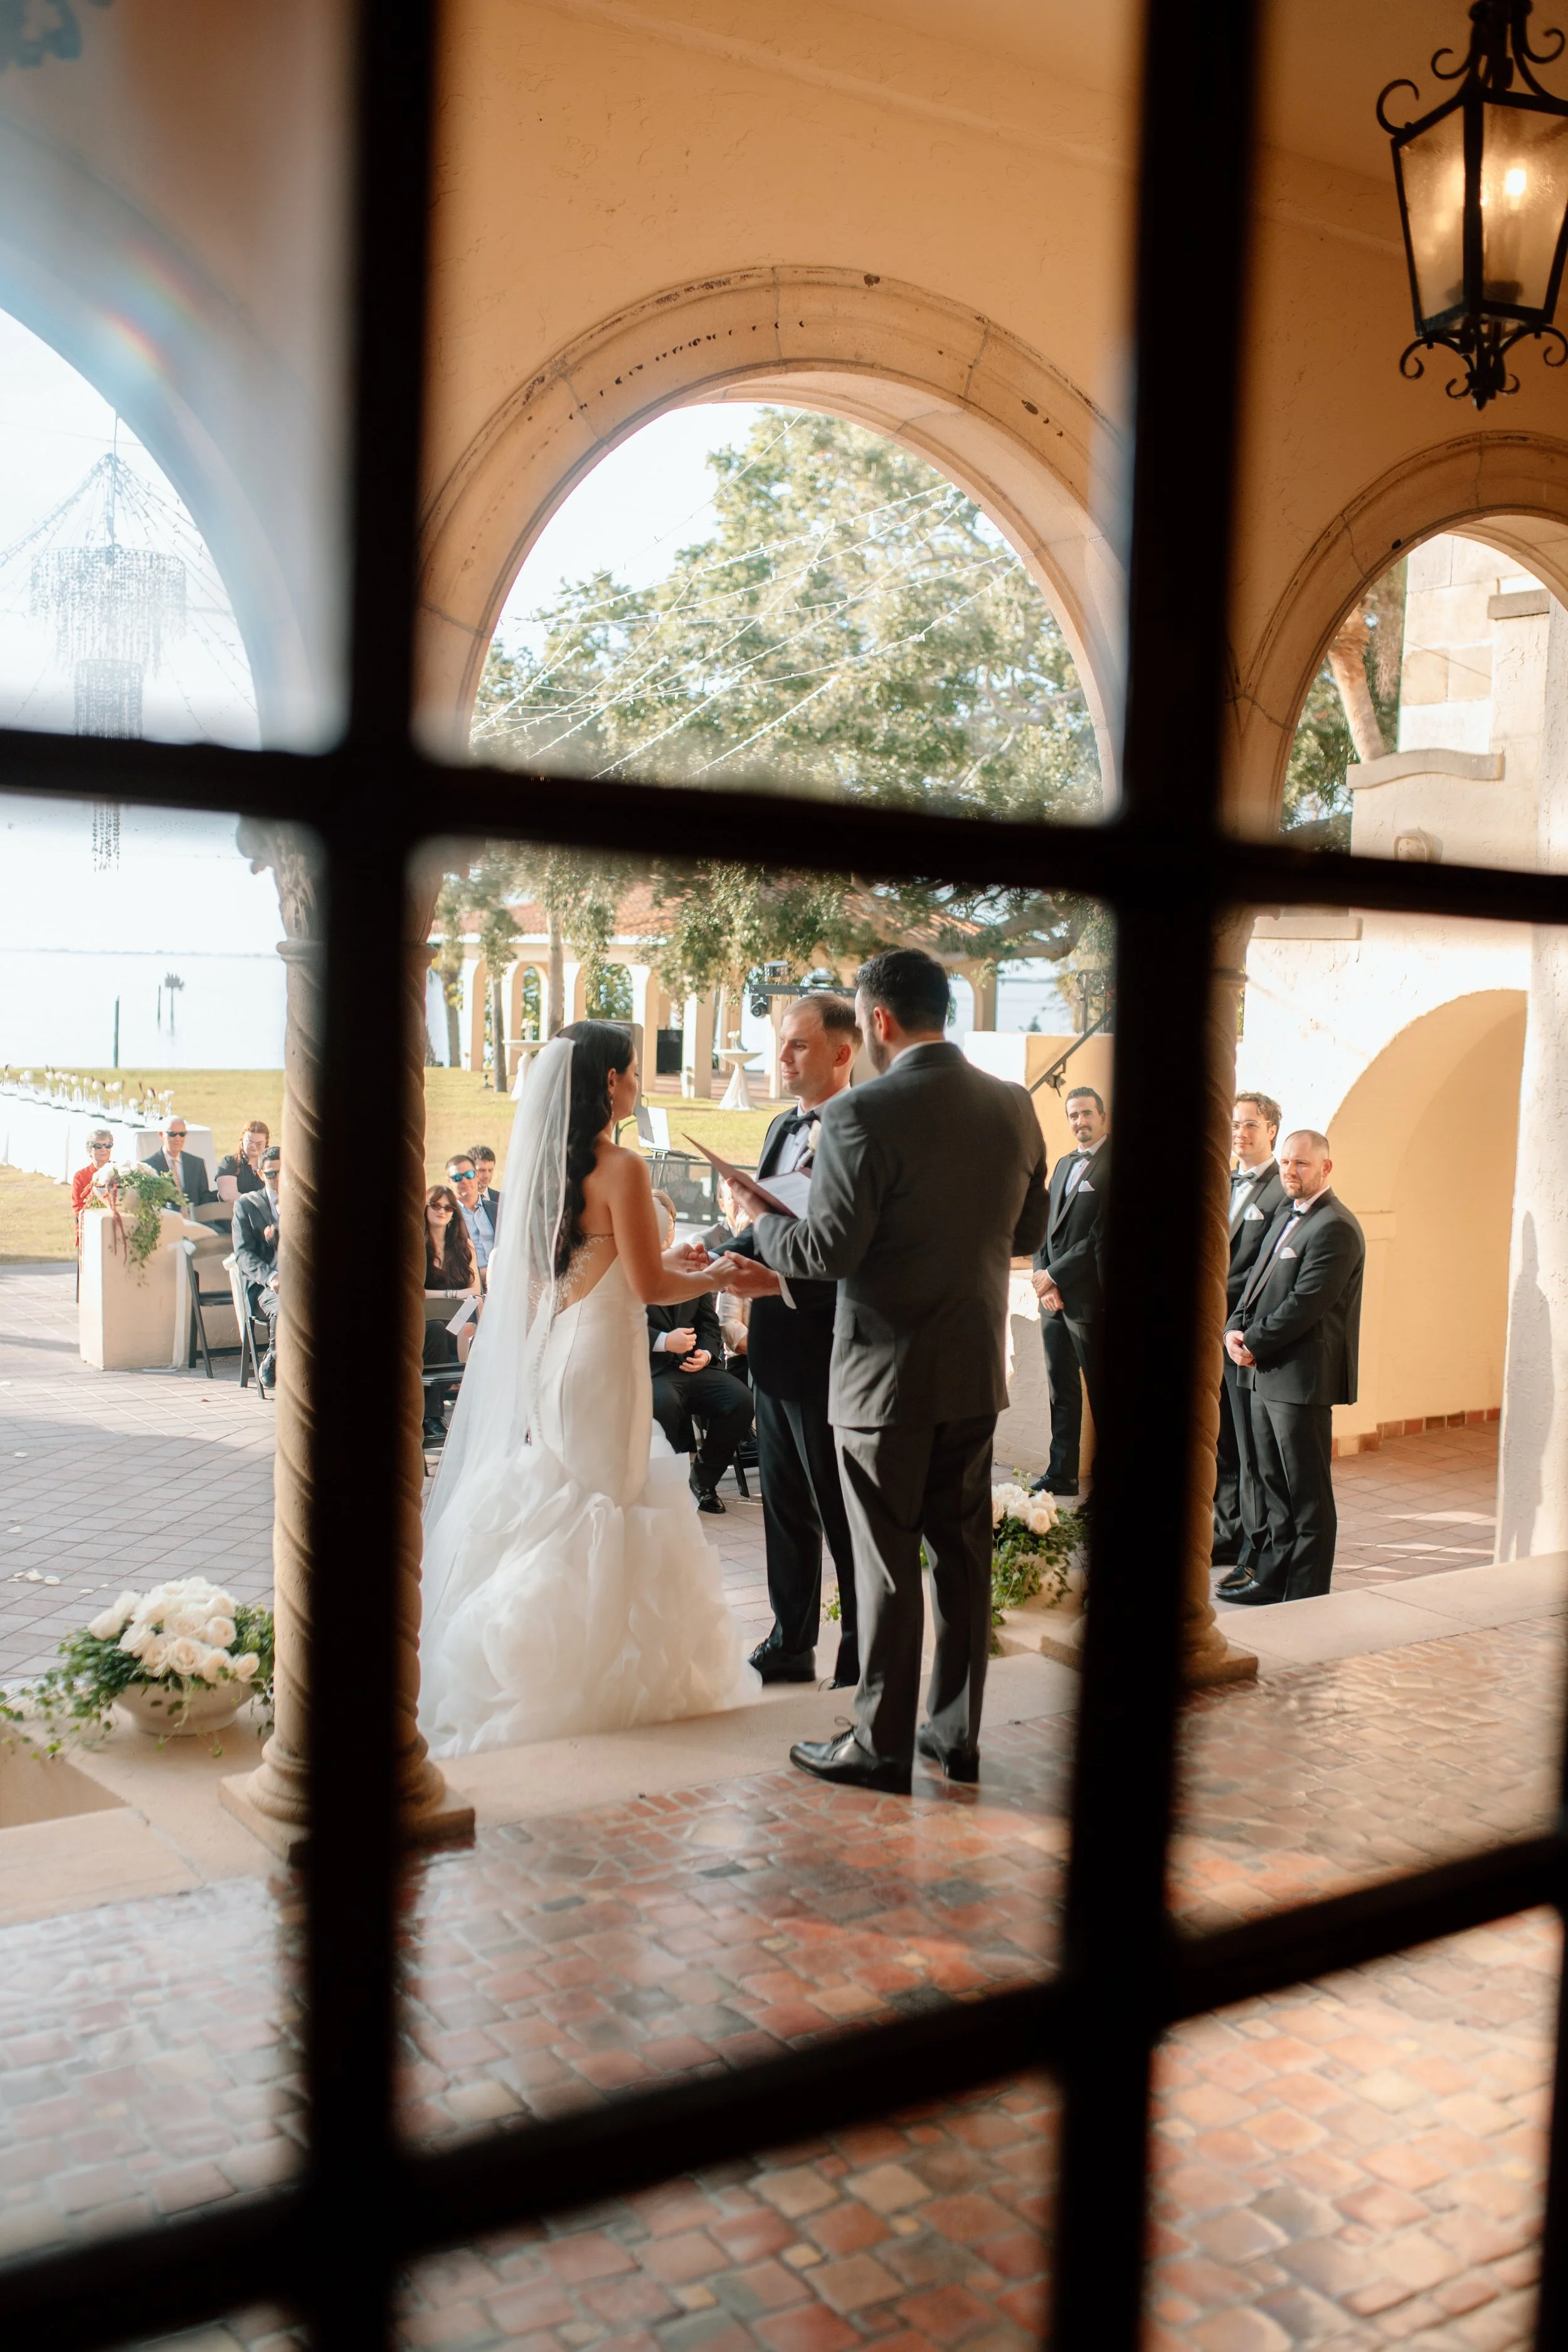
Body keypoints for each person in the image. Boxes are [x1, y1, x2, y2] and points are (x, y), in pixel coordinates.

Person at [722, 947, 1047, 1793]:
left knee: (886, 1563)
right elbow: (1027, 1233)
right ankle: (955, 1735)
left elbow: (827, 1250)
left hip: (882, 1379)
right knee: (961, 1559)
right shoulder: (1015, 1105)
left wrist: (759, 1223)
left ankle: (879, 1744)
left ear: (877, 1021)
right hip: (974, 1367)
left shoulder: (862, 1113)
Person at [418, 1022, 759, 1754]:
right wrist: (714, 1272)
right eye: (634, 1070)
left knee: (569, 1495)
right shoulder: (623, 1167)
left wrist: (673, 1258)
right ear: (609, 1082)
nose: (640, 1082)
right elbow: (647, 1283)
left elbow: (588, 1269)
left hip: (563, 1356)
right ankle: (572, 1671)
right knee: (604, 1500)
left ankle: (545, 1656)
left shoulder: (548, 1171)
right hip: (605, 1363)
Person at [721, 992, 862, 1689]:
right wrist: (720, 1254)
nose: (782, 1058)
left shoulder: (863, 1133)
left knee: (840, 1514)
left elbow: (855, 1254)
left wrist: (776, 1286)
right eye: (782, 1044)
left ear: (842, 1052)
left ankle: (861, 1650)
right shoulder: (782, 1126)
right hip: (772, 1350)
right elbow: (767, 1224)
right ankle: (790, 1639)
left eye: (798, 1046)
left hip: (831, 1348)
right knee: (783, 1510)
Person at [1223, 1129, 1365, 1606]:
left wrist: (1253, 1343)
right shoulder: (1287, 1212)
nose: (1289, 1171)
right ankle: (1273, 1576)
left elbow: (1306, 1304)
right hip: (1264, 1370)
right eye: (1285, 1162)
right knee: (1272, 1485)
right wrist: (1235, 1327)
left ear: (1326, 1168)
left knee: (1307, 1494)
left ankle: (1306, 1593)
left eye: (1301, 1164)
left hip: (1300, 1379)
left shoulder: (1336, 1227)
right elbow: (1254, 1283)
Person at [1214, 1091, 1286, 1587]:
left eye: (1251, 1125)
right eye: (1235, 1125)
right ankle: (1224, 1531)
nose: (1241, 1133)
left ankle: (1252, 1546)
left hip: (1243, 1337)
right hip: (1207, 1333)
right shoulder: (1220, 1182)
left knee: (1248, 1450)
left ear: (1272, 1131)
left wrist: (1238, 1328)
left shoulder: (1283, 1192)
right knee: (1216, 1441)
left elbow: (1267, 1277)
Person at [647, 1191, 755, 1513]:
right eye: (660, 1223)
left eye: (671, 1223)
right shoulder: (633, 1268)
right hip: (653, 1368)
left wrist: (706, 1354)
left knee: (740, 1400)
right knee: (664, 1402)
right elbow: (621, 1322)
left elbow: (708, 1322)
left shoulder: (690, 1264)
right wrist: (664, 1340)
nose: (668, 1231)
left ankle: (702, 1480)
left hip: (696, 1366)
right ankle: (664, 1485)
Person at [1030, 1084, 1108, 1496]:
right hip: (1052, 1299)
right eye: (1073, 1115)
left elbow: (1100, 1237)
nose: (1080, 1122)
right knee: (1061, 1387)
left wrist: (1055, 1275)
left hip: (1089, 1300)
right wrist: (1042, 1276)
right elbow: (1046, 1224)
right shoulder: (1062, 1164)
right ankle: (1062, 1473)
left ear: (1103, 1117)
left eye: (1086, 1114)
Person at [423, 1184, 480, 1443]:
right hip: (424, 1324)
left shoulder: (463, 1246)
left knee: (468, 1321)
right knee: (435, 1327)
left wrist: (443, 1297)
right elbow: (416, 1294)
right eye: (435, 1205)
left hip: (458, 1322)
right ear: (424, 1208)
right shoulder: (416, 1246)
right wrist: (455, 1296)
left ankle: (471, 1408)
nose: (442, 1211)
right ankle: (432, 1417)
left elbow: (476, 1291)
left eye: (447, 1207)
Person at [233, 1144, 283, 1389]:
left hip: (303, 1279)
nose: (278, 1178)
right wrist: (271, 1277)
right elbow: (243, 1254)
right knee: (288, 1307)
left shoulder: (307, 1201)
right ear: (262, 1175)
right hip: (267, 1285)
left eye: (283, 1172)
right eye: (271, 1174)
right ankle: (274, 1358)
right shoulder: (247, 1205)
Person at [448, 1153, 497, 1281]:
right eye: (457, 1178)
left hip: (505, 1283)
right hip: (469, 1286)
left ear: (477, 1175)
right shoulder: (448, 1217)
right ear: (449, 1182)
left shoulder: (498, 1210)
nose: (465, 1181)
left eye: (469, 1175)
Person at [146, 1117, 215, 1207]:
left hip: (194, 1219)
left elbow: (205, 1197)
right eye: (172, 1134)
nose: (178, 1138)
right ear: (161, 1135)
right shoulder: (149, 1166)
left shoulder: (197, 1164)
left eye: (182, 1134)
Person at [72, 1130, 115, 1243]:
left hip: (116, 1228)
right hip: (89, 1230)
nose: (103, 1150)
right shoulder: (80, 1176)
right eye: (98, 1146)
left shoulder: (120, 1171)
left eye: (107, 1145)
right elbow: (78, 1207)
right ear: (90, 1151)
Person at [217, 1120, 270, 1196]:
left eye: (259, 1144)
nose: (254, 1147)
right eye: (250, 1142)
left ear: (266, 1144)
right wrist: (254, 1205)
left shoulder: (272, 1164)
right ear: (242, 1141)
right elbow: (227, 1194)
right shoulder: (230, 1162)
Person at [470, 1145, 502, 1230]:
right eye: (481, 1170)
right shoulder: (459, 1201)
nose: (487, 1176)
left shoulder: (502, 1200)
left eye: (490, 1170)